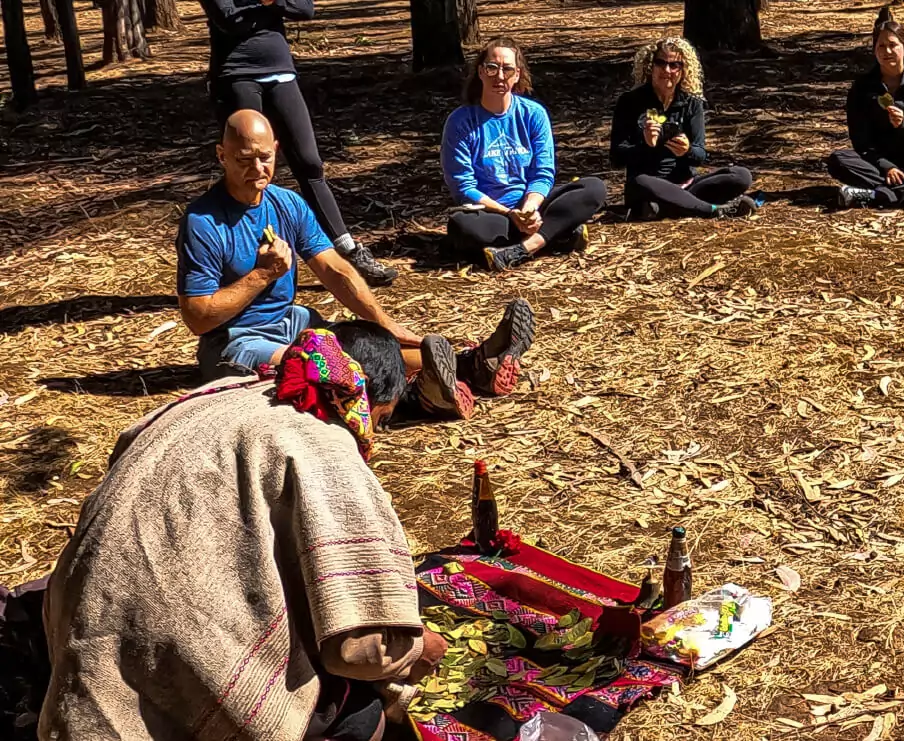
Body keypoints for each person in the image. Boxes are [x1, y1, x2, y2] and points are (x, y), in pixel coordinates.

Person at [40, 321, 445, 741]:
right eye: (382, 420)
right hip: (165, 649)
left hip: (79, 623)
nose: (372, 436)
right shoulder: (322, 441)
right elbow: (358, 650)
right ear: (372, 397)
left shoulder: (221, 392)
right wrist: (417, 649)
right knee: (361, 719)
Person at [179, 110, 535, 420]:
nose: (257, 169)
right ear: (221, 156)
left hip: (291, 324)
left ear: (276, 150)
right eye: (244, 160)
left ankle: (472, 366)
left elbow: (335, 269)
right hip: (236, 345)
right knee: (327, 364)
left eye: (264, 157)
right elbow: (198, 317)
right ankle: (418, 398)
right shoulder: (203, 221)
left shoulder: (286, 203)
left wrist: (385, 325)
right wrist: (261, 275)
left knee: (370, 345)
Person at [198, 0, 398, 286]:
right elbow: (228, 19)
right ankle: (241, 263)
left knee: (309, 163)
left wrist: (272, 3)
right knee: (248, 168)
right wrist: (270, 8)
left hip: (280, 72)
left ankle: (348, 252)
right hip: (236, 75)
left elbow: (305, 9)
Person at [442, 37, 607, 273]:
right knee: (461, 225)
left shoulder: (533, 114)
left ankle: (524, 248)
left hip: (534, 206)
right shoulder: (460, 121)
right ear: (480, 71)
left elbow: (543, 172)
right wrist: (509, 213)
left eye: (507, 69)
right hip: (494, 213)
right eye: (492, 67)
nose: (499, 76)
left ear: (517, 75)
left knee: (594, 188)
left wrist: (530, 208)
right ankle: (559, 233)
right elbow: (463, 187)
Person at [609, 36, 757, 221]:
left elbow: (700, 154)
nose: (667, 70)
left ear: (683, 70)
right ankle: (713, 210)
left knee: (741, 175)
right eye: (661, 63)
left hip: (687, 184)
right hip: (649, 184)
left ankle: (667, 208)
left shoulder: (691, 104)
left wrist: (686, 151)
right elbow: (616, 157)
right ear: (650, 66)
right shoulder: (630, 102)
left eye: (674, 65)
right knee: (641, 182)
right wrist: (646, 147)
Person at [826, 10, 904, 210]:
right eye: (881, 46)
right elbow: (861, 143)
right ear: (874, 50)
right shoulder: (862, 88)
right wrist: (887, 166)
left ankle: (880, 195)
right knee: (837, 160)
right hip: (877, 163)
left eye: (893, 45)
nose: (887, 52)